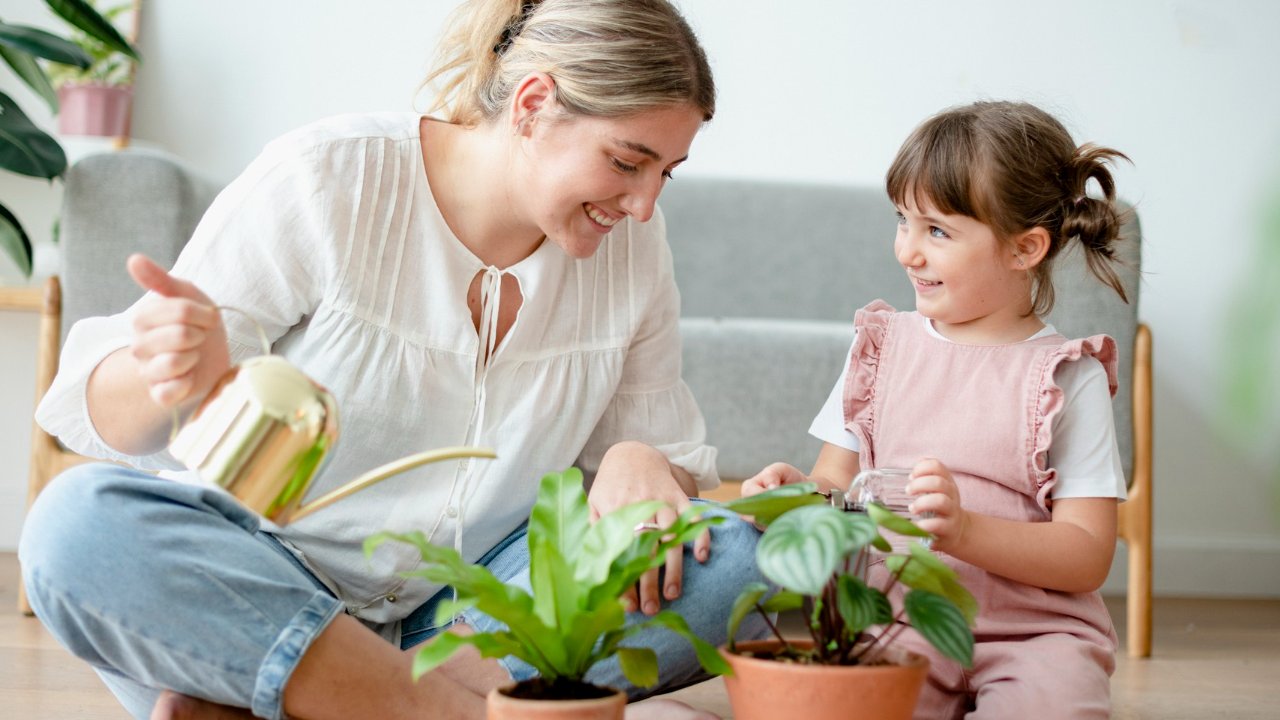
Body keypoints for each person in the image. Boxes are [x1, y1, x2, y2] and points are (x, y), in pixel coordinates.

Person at [19, 1, 768, 718]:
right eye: (626, 161)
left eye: (664, 172)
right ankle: (443, 710)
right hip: (260, 589)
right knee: (75, 527)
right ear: (533, 104)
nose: (642, 204)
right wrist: (170, 377)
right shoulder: (332, 176)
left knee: (737, 557)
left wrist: (640, 458)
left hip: (469, 618)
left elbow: (661, 495)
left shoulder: (634, 251)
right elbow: (102, 418)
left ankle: (297, 701)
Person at [742, 100, 1132, 719]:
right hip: (900, 626)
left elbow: (1087, 552)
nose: (907, 252)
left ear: (1024, 248)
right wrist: (798, 497)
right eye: (903, 221)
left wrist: (967, 532)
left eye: (937, 231)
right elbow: (835, 485)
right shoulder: (878, 348)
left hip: (1039, 637)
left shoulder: (1067, 375)